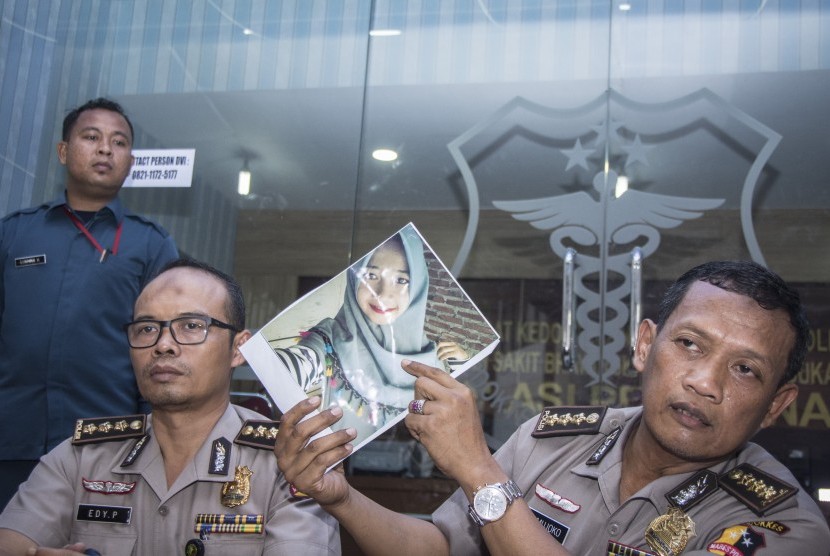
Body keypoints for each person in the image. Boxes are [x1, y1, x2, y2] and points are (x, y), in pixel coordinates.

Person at [275, 260, 830, 555]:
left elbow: (486, 489)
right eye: (689, 344)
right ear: (644, 346)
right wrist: (341, 498)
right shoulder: (553, 437)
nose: (706, 382)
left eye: (745, 370)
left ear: (777, 403)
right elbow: (439, 546)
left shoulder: (782, 524)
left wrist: (480, 473)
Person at [0, 258, 341, 555]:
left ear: (238, 350)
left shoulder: (288, 465)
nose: (163, 345)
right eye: (147, 328)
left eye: (191, 326)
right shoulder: (82, 458)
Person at [0, 97, 178, 509]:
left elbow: (163, 345)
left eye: (118, 142)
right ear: (64, 151)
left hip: (106, 443)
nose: (104, 149)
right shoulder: (15, 234)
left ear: (130, 161)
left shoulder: (151, 242)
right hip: (11, 437)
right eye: (91, 137)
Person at [269, 227, 467, 446]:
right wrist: (262, 359)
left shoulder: (439, 361)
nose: (383, 294)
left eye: (401, 280)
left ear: (418, 288)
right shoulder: (328, 342)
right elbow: (292, 365)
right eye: (370, 275)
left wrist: (462, 363)